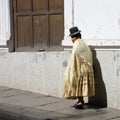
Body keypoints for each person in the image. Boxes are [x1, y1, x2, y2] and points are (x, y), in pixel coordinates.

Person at [62, 26, 95, 109]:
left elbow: (74, 58)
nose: (71, 39)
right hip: (87, 67)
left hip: (81, 68)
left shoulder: (76, 44)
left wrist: (70, 70)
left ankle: (80, 102)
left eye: (72, 37)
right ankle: (80, 100)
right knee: (80, 85)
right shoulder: (83, 43)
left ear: (75, 37)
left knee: (78, 84)